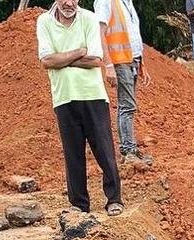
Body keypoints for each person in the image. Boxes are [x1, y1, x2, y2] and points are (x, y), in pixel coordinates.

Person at [36, 0, 122, 215]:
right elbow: (46, 61)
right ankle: (79, 204)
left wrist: (61, 59)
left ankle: (114, 199)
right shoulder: (44, 21)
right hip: (64, 96)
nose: (68, 3)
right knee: (72, 153)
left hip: (93, 94)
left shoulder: (89, 18)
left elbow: (95, 59)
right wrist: (79, 52)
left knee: (104, 150)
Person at [93, 0, 147, 161]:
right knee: (127, 106)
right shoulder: (106, 1)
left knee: (127, 105)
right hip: (120, 61)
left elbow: (133, 34)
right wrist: (108, 65)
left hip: (132, 60)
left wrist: (141, 63)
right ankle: (128, 150)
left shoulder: (128, 2)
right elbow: (100, 32)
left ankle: (129, 147)